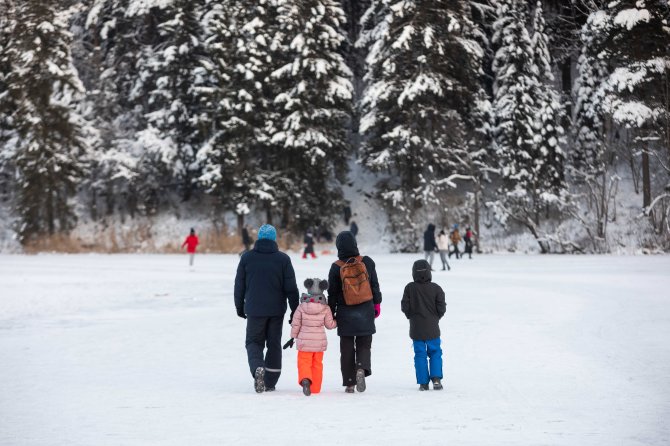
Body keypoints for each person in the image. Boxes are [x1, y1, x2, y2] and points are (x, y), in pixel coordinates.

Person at [234, 224, 299, 393]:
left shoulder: (247, 258)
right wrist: (295, 310)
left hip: (255, 310)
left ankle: (257, 369)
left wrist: (239, 307)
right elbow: (291, 288)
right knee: (274, 344)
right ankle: (270, 382)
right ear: (274, 239)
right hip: (276, 311)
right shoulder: (283, 259)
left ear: (259, 238)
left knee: (254, 342)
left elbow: (239, 286)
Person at [327, 231, 382, 393]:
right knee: (364, 344)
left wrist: (331, 311)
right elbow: (375, 285)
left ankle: (350, 383)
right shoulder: (367, 262)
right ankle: (361, 368)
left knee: (346, 347)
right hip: (365, 309)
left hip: (345, 312)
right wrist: (377, 304)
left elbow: (332, 294)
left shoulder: (336, 267)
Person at [285, 278, 337, 396]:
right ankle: (315, 388)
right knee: (317, 364)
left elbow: (296, 323)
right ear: (322, 290)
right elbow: (330, 325)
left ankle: (305, 379)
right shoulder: (325, 308)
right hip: (319, 343)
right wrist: (336, 321)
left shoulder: (301, 307)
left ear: (308, 289)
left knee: (304, 362)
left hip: (304, 342)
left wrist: (293, 337)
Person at [401, 259, 447, 391]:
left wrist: (411, 316)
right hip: (432, 327)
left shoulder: (409, 288)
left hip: (416, 328)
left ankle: (423, 383)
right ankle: (436, 379)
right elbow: (441, 307)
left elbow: (405, 306)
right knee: (435, 352)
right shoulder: (436, 288)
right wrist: (435, 317)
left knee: (420, 354)